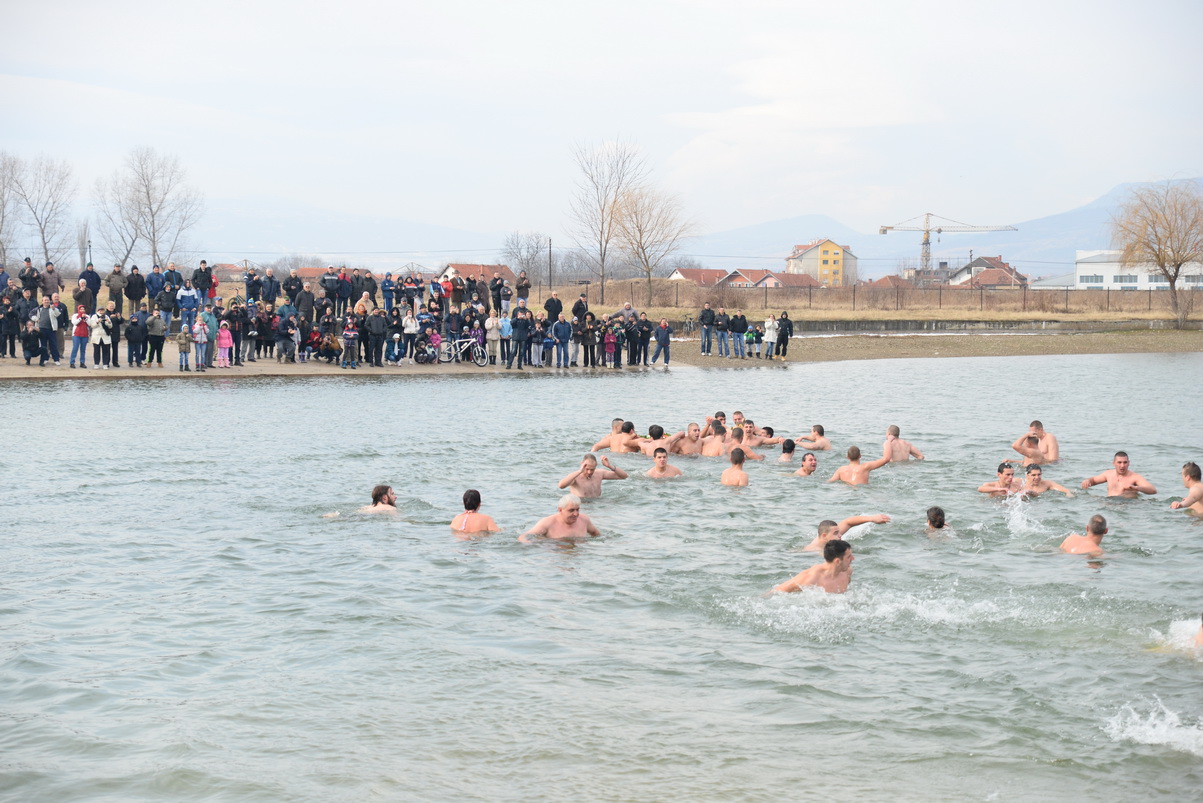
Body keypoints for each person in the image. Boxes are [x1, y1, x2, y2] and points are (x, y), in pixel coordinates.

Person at [772, 539, 855, 594]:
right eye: (849, 557)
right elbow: (778, 590)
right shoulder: (811, 577)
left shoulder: (847, 572)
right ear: (837, 561)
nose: (853, 558)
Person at [520, 494, 599, 542]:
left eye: (577, 510)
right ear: (560, 510)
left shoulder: (584, 520)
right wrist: (529, 544)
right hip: (556, 553)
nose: (576, 514)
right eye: (571, 510)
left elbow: (596, 534)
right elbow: (524, 536)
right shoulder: (548, 523)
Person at [1080, 451, 1157, 498]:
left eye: (1125, 462)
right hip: (1110, 503)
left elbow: (1153, 490)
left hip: (1128, 505)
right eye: (1119, 462)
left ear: (1129, 463)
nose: (1122, 465)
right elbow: (1093, 480)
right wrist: (1087, 481)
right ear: (1114, 463)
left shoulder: (1135, 477)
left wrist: (1137, 488)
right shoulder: (1108, 474)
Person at [802, 514, 890, 551]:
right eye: (836, 533)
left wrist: (872, 518)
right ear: (824, 536)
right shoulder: (815, 550)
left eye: (839, 532)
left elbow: (848, 522)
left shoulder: (828, 535)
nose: (840, 535)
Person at [558, 453, 629, 498]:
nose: (589, 472)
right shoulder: (575, 477)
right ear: (582, 464)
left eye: (592, 469)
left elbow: (624, 476)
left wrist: (609, 466)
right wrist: (580, 471)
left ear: (596, 466)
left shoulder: (599, 473)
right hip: (583, 506)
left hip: (597, 504)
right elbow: (561, 485)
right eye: (587, 469)